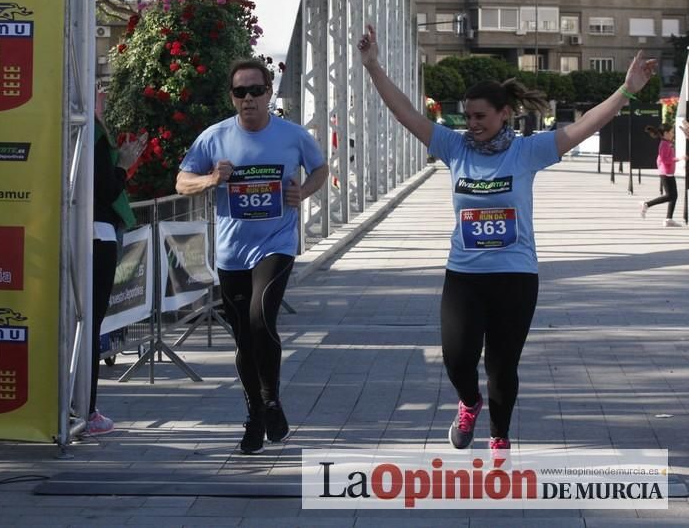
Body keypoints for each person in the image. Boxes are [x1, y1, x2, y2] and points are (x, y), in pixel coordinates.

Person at [357, 24, 656, 455]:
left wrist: (626, 91)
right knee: (457, 359)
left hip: (515, 276)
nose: (471, 123)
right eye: (468, 115)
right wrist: (373, 67)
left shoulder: (527, 151)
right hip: (464, 276)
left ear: (503, 114)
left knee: (502, 366)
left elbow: (586, 126)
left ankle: (500, 438)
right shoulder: (454, 147)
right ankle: (468, 402)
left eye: (480, 116)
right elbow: (406, 112)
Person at [176, 58, 327, 454]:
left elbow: (320, 168)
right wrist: (211, 179)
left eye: (255, 91)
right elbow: (181, 180)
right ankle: (256, 411)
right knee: (244, 338)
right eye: (240, 92)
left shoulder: (292, 136)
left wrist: (304, 192)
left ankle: (272, 399)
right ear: (232, 97)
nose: (248, 99)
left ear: (269, 93)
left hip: (275, 244)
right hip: (231, 253)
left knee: (262, 318)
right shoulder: (215, 137)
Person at [86, 90, 146, 435]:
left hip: (81, 232)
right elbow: (105, 188)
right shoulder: (90, 131)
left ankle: (77, 405)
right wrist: (122, 165)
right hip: (97, 235)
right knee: (89, 325)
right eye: (98, 97)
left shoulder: (61, 127)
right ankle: (87, 408)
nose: (104, 100)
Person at [639, 123, 685, 227]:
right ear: (665, 133)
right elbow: (664, 160)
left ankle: (668, 219)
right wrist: (679, 159)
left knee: (674, 196)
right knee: (670, 195)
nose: (673, 134)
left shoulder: (667, 142)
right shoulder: (664, 144)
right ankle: (647, 204)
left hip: (668, 172)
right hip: (665, 173)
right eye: (671, 132)